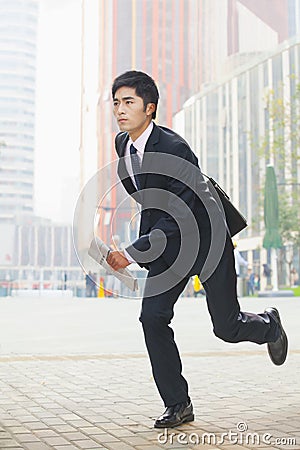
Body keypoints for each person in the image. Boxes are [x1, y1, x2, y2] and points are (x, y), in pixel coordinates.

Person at [106, 70, 288, 428]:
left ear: (150, 108)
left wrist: (132, 251)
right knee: (152, 318)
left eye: (128, 102)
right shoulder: (123, 145)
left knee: (227, 328)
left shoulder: (175, 149)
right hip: (167, 248)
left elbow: (184, 213)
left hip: (206, 242)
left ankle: (269, 325)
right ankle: (179, 404)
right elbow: (151, 201)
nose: (120, 110)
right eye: (116, 103)